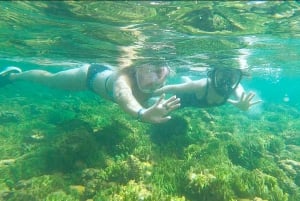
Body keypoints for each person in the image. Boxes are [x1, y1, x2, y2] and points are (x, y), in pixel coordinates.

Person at [0, 62, 181, 124]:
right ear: (138, 68)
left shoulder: (158, 85)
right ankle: (14, 76)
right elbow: (122, 95)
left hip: (103, 76)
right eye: (152, 72)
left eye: (162, 79)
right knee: (50, 80)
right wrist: (141, 113)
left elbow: (178, 90)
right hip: (88, 76)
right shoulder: (123, 79)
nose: (156, 83)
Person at [154, 67, 261, 111]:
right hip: (186, 99)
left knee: (190, 85)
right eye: (222, 75)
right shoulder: (202, 85)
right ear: (213, 75)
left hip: (197, 95)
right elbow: (173, 88)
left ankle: (187, 80)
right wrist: (150, 92)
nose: (226, 81)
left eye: (232, 77)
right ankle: (186, 79)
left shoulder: (234, 87)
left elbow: (242, 99)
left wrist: (243, 106)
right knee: (165, 106)